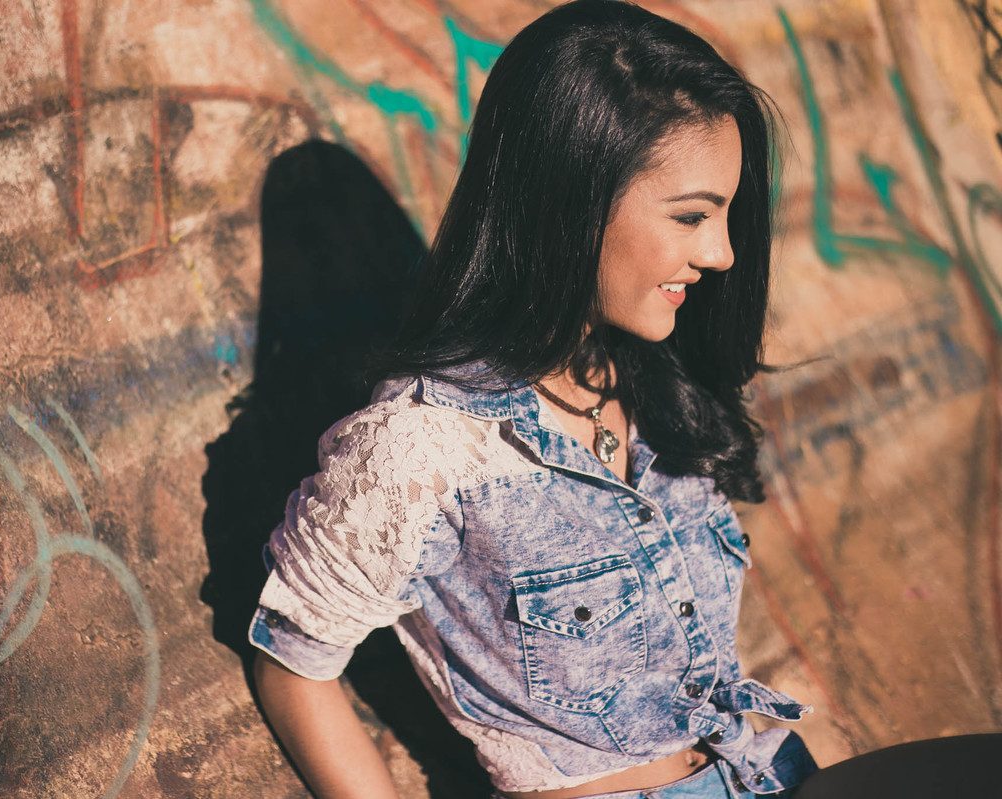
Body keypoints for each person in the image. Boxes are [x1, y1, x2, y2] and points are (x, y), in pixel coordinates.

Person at [247, 1, 818, 796]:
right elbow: (292, 665)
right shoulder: (425, 447)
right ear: (573, 201)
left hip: (767, 767)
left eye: (725, 216)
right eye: (692, 215)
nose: (721, 252)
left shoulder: (652, 380)